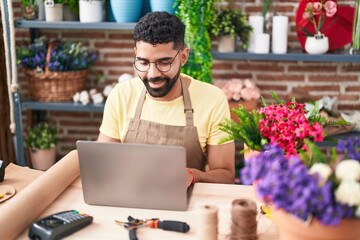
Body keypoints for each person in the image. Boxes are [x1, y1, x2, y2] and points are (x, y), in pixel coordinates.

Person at [97, 11, 235, 187]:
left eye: (164, 62)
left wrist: (193, 175)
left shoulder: (212, 99)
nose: (153, 74)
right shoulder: (121, 95)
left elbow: (226, 175)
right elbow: (102, 161)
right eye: (144, 62)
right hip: (129, 199)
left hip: (186, 205)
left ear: (183, 57)